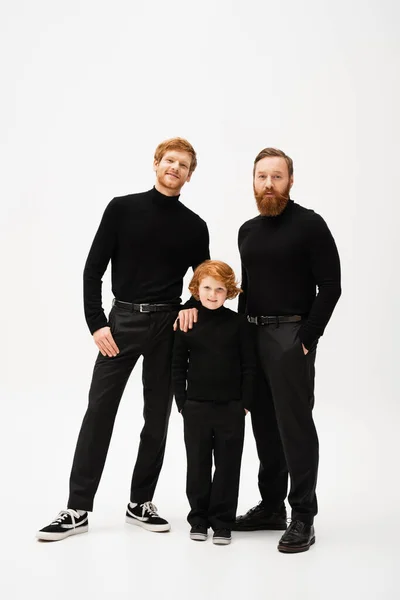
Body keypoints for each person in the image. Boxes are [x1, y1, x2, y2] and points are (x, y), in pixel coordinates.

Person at [36, 137, 209, 541]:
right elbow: (92, 269)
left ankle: (140, 502)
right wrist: (97, 324)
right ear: (155, 163)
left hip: (168, 327)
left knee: (157, 417)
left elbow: (203, 281)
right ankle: (77, 508)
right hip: (122, 323)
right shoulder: (122, 208)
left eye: (184, 165)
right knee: (99, 411)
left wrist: (189, 304)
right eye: (170, 161)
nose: (175, 169)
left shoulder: (194, 225)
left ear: (190, 174)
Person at [233, 148, 341, 553]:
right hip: (254, 336)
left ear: (290, 181)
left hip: (291, 336)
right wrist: (241, 340)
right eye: (262, 177)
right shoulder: (247, 230)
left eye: (277, 177)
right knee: (262, 422)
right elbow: (246, 290)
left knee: (294, 425)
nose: (269, 184)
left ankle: (303, 516)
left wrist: (308, 338)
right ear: (253, 181)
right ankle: (271, 506)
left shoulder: (310, 225)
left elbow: (331, 286)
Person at [172, 260, 256, 545]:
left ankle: (222, 523)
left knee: (228, 466)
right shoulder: (188, 321)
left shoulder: (238, 324)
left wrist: (245, 403)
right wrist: (182, 402)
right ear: (196, 289)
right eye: (207, 287)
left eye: (220, 289)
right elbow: (177, 366)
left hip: (231, 408)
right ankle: (198, 519)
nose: (212, 294)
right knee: (197, 465)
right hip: (195, 407)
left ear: (229, 292)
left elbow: (249, 366)